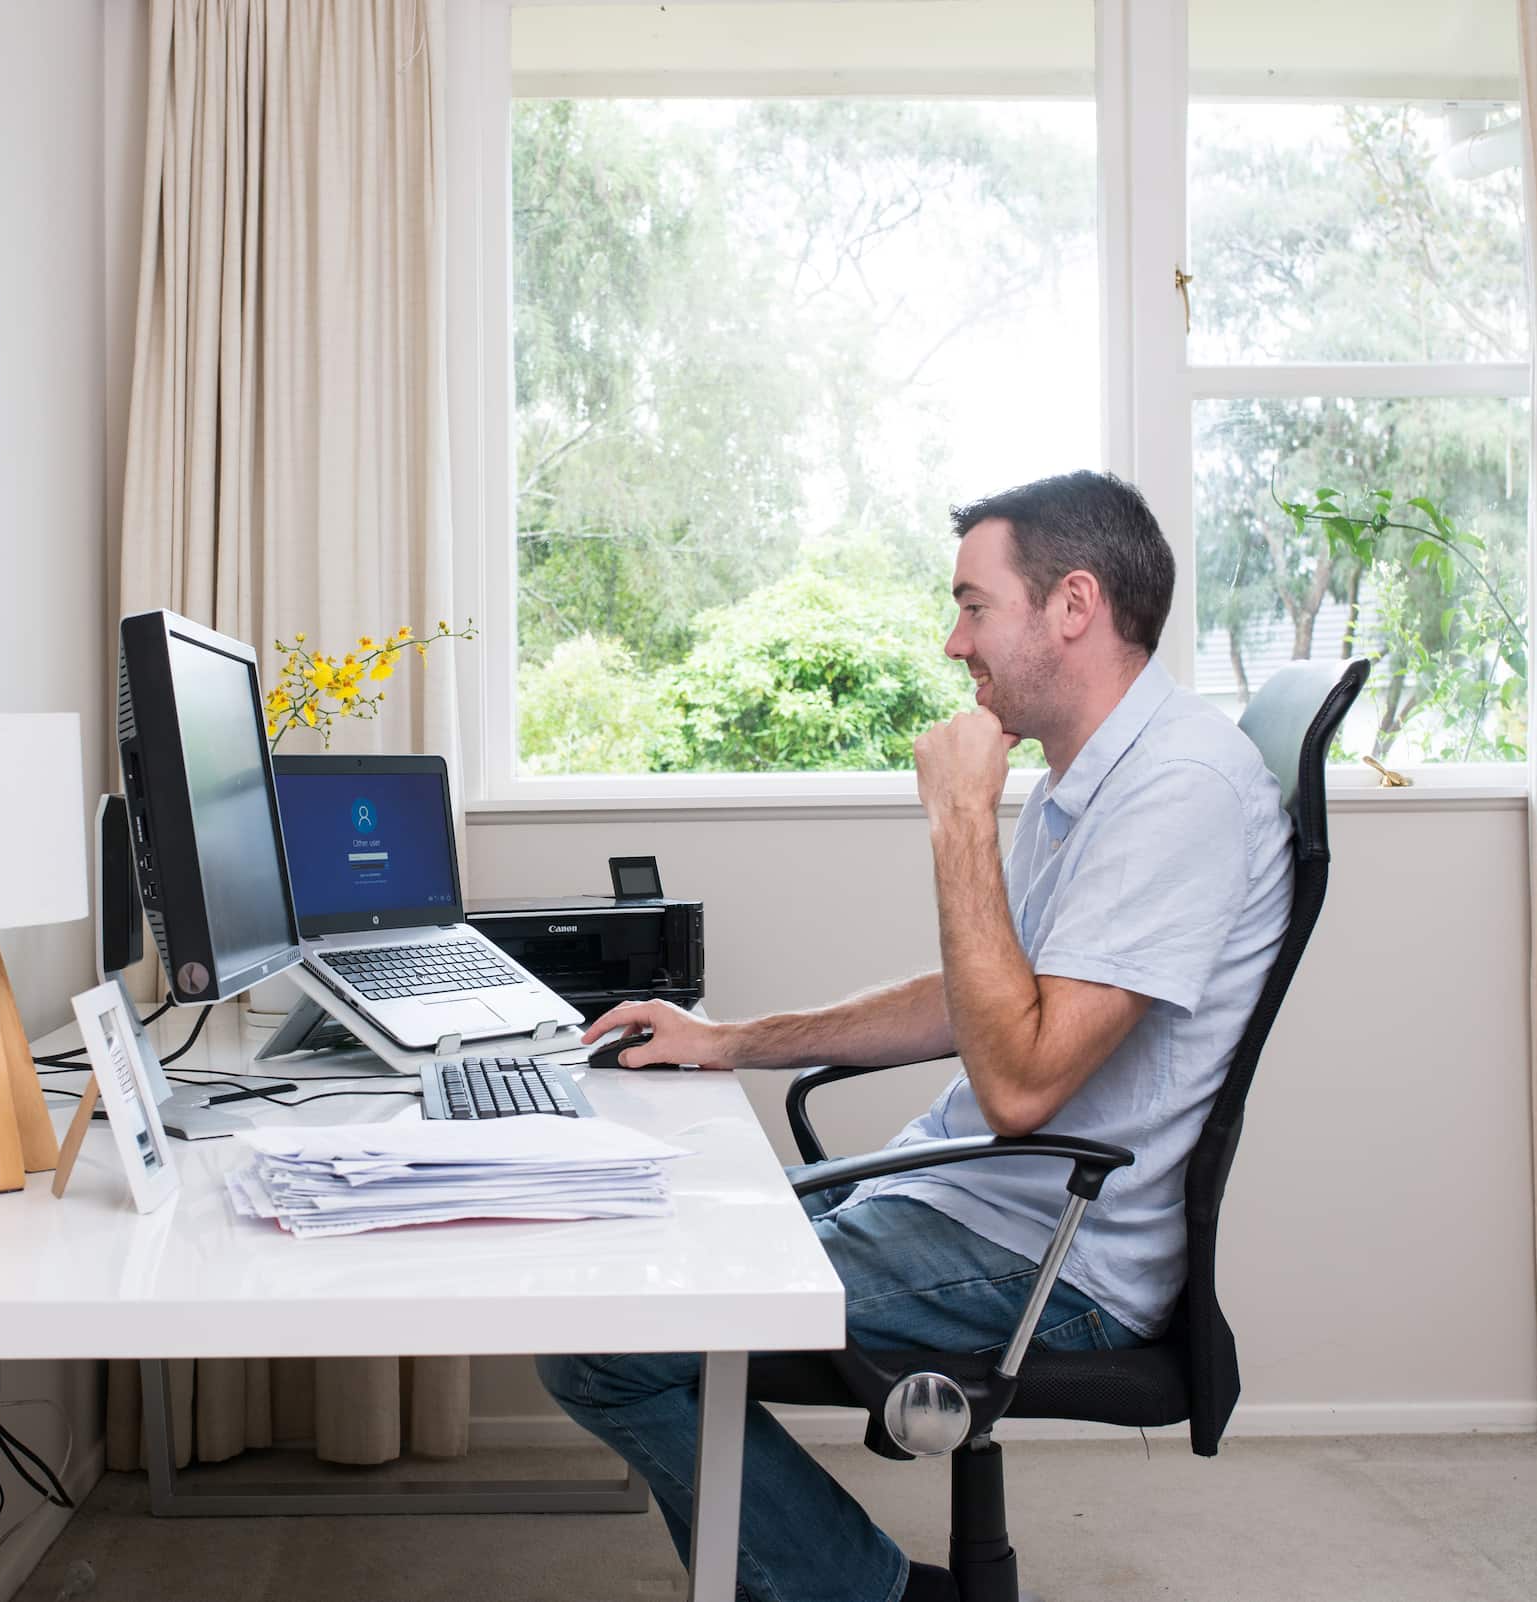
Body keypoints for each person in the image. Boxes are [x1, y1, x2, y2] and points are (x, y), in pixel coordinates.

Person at [536, 470, 1296, 1602]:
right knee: (635, 1242)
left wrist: (957, 821)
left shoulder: (1178, 790)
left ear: (1073, 605)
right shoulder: (1093, 775)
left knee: (606, 1339)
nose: (954, 644)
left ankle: (874, 1596)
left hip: (1051, 1260)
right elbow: (979, 1000)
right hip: (974, 1200)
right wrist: (729, 1041)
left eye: (974, 605)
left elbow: (1022, 1085)